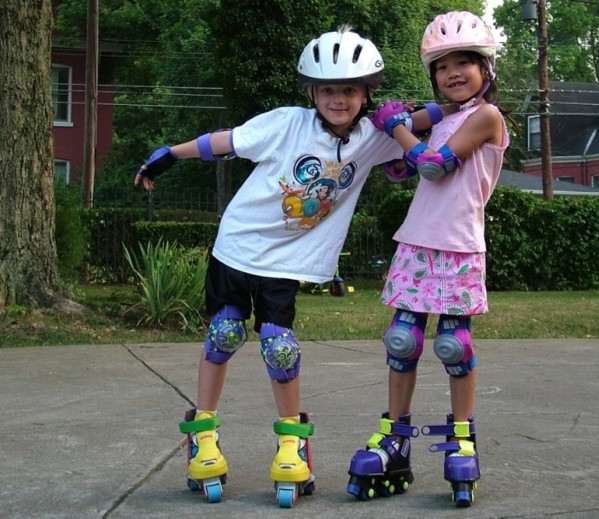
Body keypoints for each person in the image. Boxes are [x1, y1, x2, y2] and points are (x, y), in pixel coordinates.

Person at [134, 27, 443, 508]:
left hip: (284, 264)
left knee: (279, 347)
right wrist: (172, 154)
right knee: (224, 334)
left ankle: (291, 445)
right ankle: (204, 435)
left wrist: (464, 100)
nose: (337, 100)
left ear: (366, 93)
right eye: (327, 90)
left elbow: (423, 120)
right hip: (236, 247)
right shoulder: (286, 123)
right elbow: (227, 142)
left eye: (349, 89)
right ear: (311, 92)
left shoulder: (372, 137)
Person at [347, 11, 509, 508]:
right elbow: (402, 165)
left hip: (459, 247)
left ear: (487, 70)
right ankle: (395, 438)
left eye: (465, 62)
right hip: (417, 243)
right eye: (442, 66)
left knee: (453, 345)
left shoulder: (486, 117)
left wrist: (399, 129)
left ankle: (461, 437)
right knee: (403, 341)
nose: (453, 73)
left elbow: (435, 167)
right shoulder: (441, 117)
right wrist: (387, 119)